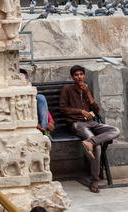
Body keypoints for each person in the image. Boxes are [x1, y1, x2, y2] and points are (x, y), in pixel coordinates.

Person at [59, 64, 119, 192]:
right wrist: (81, 112)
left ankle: (89, 142)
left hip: (92, 123)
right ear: (72, 77)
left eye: (81, 74)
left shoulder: (86, 89)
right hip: (77, 124)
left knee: (115, 130)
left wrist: (87, 93)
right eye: (76, 75)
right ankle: (95, 180)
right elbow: (63, 109)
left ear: (84, 75)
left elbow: (96, 110)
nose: (79, 77)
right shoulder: (67, 89)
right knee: (97, 145)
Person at [19, 69, 52, 135]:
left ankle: (45, 133)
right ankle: (45, 133)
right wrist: (36, 125)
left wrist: (50, 124)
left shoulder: (36, 98)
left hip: (42, 127)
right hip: (26, 126)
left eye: (26, 79)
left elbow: (46, 114)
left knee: (40, 97)